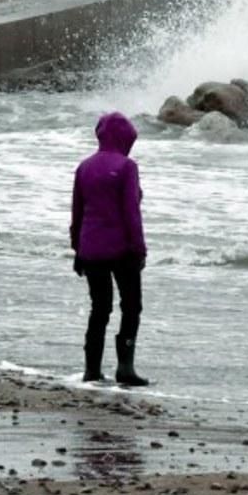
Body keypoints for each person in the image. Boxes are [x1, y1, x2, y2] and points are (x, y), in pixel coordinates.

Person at [69, 111, 149, 387]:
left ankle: (91, 370)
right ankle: (125, 367)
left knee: (99, 308)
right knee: (131, 306)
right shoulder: (127, 167)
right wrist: (139, 249)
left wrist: (77, 249)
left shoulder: (84, 166)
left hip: (90, 249)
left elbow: (77, 213)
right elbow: (131, 214)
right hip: (122, 250)